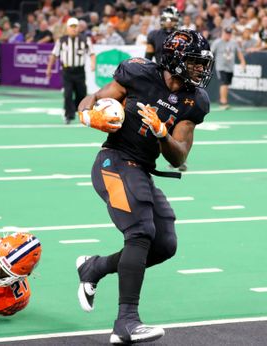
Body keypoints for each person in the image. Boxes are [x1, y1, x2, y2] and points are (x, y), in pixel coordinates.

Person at [76, 29, 214, 344]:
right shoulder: (137, 73)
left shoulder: (195, 100)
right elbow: (93, 99)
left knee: (165, 244)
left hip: (142, 170)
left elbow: (179, 156)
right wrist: (89, 116)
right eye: (194, 62)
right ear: (175, 60)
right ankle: (126, 322)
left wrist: (162, 132)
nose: (200, 69)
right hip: (114, 161)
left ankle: (94, 267)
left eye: (202, 63)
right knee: (140, 232)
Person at [145, 6, 188, 172]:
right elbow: (148, 57)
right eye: (166, 19)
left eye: (172, 19)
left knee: (176, 118)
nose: (169, 23)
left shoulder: (183, 36)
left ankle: (177, 157)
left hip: (177, 79)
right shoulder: (154, 35)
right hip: (158, 78)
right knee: (151, 114)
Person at [46, 17, 96, 124]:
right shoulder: (62, 40)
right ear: (67, 28)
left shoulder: (85, 39)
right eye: (71, 27)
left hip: (79, 71)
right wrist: (49, 68)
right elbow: (54, 55)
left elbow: (91, 53)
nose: (74, 29)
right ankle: (69, 115)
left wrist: (93, 63)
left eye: (75, 27)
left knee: (81, 93)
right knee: (67, 93)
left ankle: (76, 110)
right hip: (67, 71)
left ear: (78, 28)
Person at [211, 27, 246, 110]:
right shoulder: (217, 42)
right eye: (227, 33)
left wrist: (243, 62)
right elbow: (211, 52)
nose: (228, 35)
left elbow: (239, 52)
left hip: (230, 67)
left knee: (227, 84)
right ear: (223, 33)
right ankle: (223, 102)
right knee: (224, 83)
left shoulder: (234, 42)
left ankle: (224, 100)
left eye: (229, 34)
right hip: (221, 66)